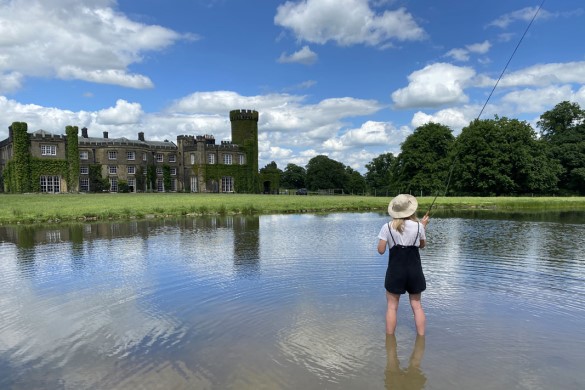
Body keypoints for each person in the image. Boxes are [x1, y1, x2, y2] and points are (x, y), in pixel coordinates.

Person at [377, 194, 429, 336]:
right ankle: (421, 339)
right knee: (417, 307)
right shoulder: (419, 226)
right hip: (414, 271)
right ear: (410, 210)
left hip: (396, 271)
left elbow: (381, 250)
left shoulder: (387, 227)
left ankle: (390, 344)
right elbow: (422, 245)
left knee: (392, 307)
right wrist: (423, 227)